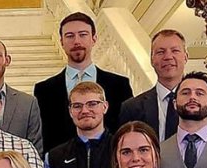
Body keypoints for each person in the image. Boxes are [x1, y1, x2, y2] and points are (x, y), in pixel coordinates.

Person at [34, 13, 133, 155]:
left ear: (94, 39)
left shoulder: (119, 85)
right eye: (69, 36)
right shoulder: (44, 90)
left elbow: (127, 129)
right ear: (61, 41)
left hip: (110, 165)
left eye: (83, 34)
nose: (76, 41)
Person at [118, 29, 207, 141]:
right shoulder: (131, 108)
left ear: (185, 56)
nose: (168, 57)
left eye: (175, 51)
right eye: (160, 52)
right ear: (151, 59)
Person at [44, 81, 114, 168]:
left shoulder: (122, 149)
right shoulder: (54, 157)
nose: (85, 111)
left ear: (105, 107)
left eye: (92, 104)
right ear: (70, 111)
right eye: (77, 106)